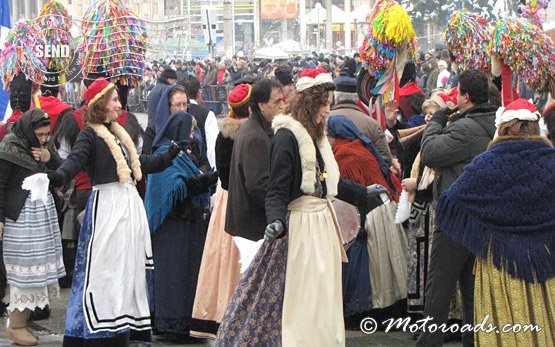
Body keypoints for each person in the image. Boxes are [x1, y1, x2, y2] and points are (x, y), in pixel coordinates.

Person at [216, 68, 387, 346]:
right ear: (311, 104)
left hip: (321, 226)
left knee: (323, 295)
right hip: (303, 229)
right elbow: (277, 189)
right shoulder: (287, 137)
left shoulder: (316, 137)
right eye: (325, 104)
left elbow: (328, 182)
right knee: (304, 297)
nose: (329, 111)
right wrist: (276, 220)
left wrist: (363, 194)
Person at [46, 78, 182, 346]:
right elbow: (75, 161)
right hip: (107, 206)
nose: (120, 104)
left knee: (126, 269)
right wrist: (58, 175)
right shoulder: (90, 134)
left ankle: (121, 327)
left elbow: (138, 164)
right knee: (105, 271)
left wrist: (169, 156)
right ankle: (103, 331)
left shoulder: (118, 134)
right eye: (115, 100)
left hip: (126, 205)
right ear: (100, 104)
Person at [435, 98, 555, 346]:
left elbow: (451, 203)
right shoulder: (551, 162)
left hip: (500, 265)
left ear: (502, 127)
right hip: (545, 263)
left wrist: (482, 232)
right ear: (535, 128)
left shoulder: (484, 164)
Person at [416, 69, 497, 347]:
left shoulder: (465, 128)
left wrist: (437, 119)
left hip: (455, 220)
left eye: (458, 92)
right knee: (472, 290)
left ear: (465, 97)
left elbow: (429, 153)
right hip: (481, 219)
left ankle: (429, 342)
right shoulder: (493, 123)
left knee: (439, 288)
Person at [144, 109, 216, 343]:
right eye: (189, 129)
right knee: (173, 276)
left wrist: (203, 180)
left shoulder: (185, 155)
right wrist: (198, 183)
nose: (192, 134)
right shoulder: (165, 152)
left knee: (188, 276)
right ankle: (171, 324)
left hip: (189, 226)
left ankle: (186, 322)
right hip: (172, 228)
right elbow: (169, 187)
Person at [190, 83, 252, 339]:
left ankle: (218, 312)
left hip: (226, 199)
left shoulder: (223, 134)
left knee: (222, 259)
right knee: (236, 259)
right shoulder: (249, 135)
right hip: (239, 200)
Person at [0, 109, 65, 346]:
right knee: (23, 272)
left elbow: (60, 175)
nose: (43, 138)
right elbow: (1, 183)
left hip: (39, 220)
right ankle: (16, 325)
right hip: (21, 221)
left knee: (36, 272)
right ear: (28, 130)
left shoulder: (43, 148)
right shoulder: (10, 147)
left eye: (47, 134)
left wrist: (50, 157)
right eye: (39, 134)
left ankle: (21, 323)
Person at [225, 78, 284, 241]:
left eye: (282, 100)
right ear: (261, 105)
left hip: (248, 222)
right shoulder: (256, 136)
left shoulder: (255, 128)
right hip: (253, 225)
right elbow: (258, 185)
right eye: (277, 101)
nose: (282, 106)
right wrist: (279, 210)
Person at [330, 73, 393, 165]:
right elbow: (386, 159)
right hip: (365, 176)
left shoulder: (324, 120)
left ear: (336, 98)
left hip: (330, 176)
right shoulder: (372, 124)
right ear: (357, 98)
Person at [181, 76, 218, 170]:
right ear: (198, 93)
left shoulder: (175, 111)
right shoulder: (207, 114)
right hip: (202, 168)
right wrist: (214, 171)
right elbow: (212, 147)